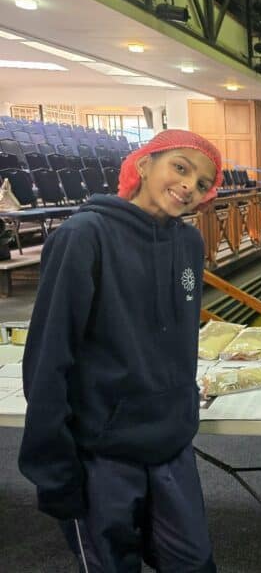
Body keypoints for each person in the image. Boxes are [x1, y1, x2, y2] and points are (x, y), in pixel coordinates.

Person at [18, 130, 222, 572]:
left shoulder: (189, 244)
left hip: (170, 444)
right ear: (144, 164)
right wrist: (53, 466)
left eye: (203, 183)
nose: (190, 186)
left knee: (195, 563)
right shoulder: (84, 235)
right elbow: (48, 357)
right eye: (180, 168)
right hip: (102, 452)